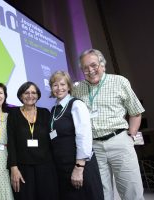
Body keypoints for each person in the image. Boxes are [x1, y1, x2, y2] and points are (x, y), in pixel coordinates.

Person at [72, 49, 145, 200]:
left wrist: (130, 136)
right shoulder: (77, 89)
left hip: (119, 142)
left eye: (93, 65)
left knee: (131, 191)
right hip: (94, 147)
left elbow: (136, 112)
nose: (90, 70)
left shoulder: (120, 81)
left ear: (103, 65)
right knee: (102, 193)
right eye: (85, 68)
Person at [49, 71, 104, 200]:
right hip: (64, 167)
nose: (59, 88)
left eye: (63, 84)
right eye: (55, 85)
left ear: (69, 87)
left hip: (80, 166)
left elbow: (84, 136)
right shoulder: (54, 110)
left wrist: (79, 168)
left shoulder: (76, 104)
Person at [7, 81, 58, 200]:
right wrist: (13, 167)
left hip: (45, 166)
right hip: (23, 168)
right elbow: (12, 142)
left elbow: (52, 138)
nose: (30, 95)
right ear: (20, 95)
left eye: (33, 92)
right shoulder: (13, 114)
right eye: (26, 92)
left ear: (38, 95)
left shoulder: (45, 113)